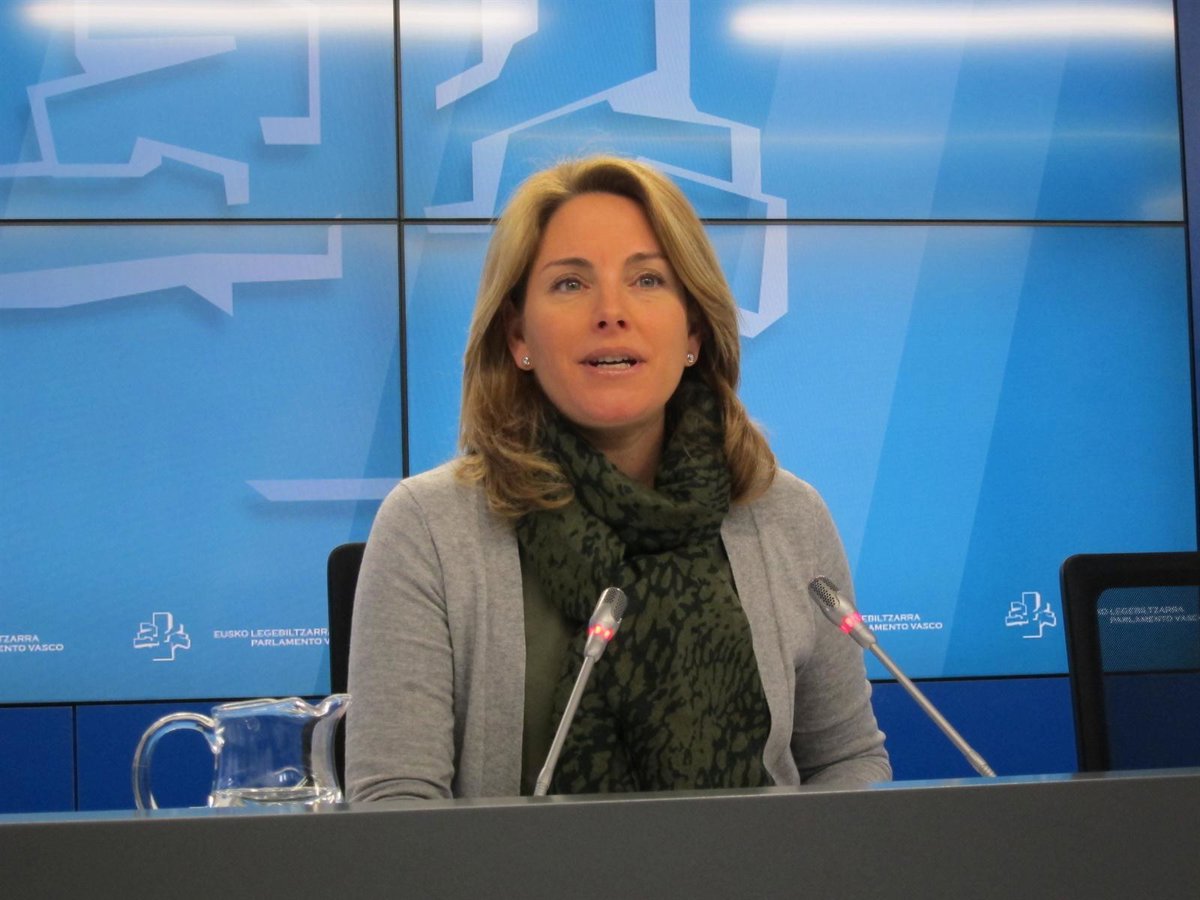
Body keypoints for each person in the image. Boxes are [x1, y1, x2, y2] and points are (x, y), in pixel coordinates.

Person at [346, 155, 890, 801]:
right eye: (570, 284)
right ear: (518, 336)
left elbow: (848, 760)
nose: (611, 311)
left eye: (647, 280)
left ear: (693, 330)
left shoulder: (786, 515)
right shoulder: (429, 528)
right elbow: (396, 803)